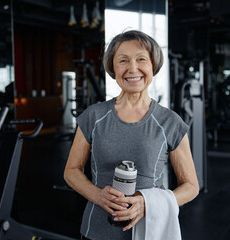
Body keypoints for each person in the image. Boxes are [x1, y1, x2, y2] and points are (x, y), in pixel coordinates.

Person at [64, 30, 199, 240]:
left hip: (150, 230)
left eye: (141, 59)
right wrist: (98, 196)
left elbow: (191, 186)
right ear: (113, 67)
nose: (132, 68)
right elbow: (71, 171)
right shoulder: (94, 116)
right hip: (96, 231)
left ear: (153, 65)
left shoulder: (169, 122)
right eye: (123, 60)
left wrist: (147, 203)